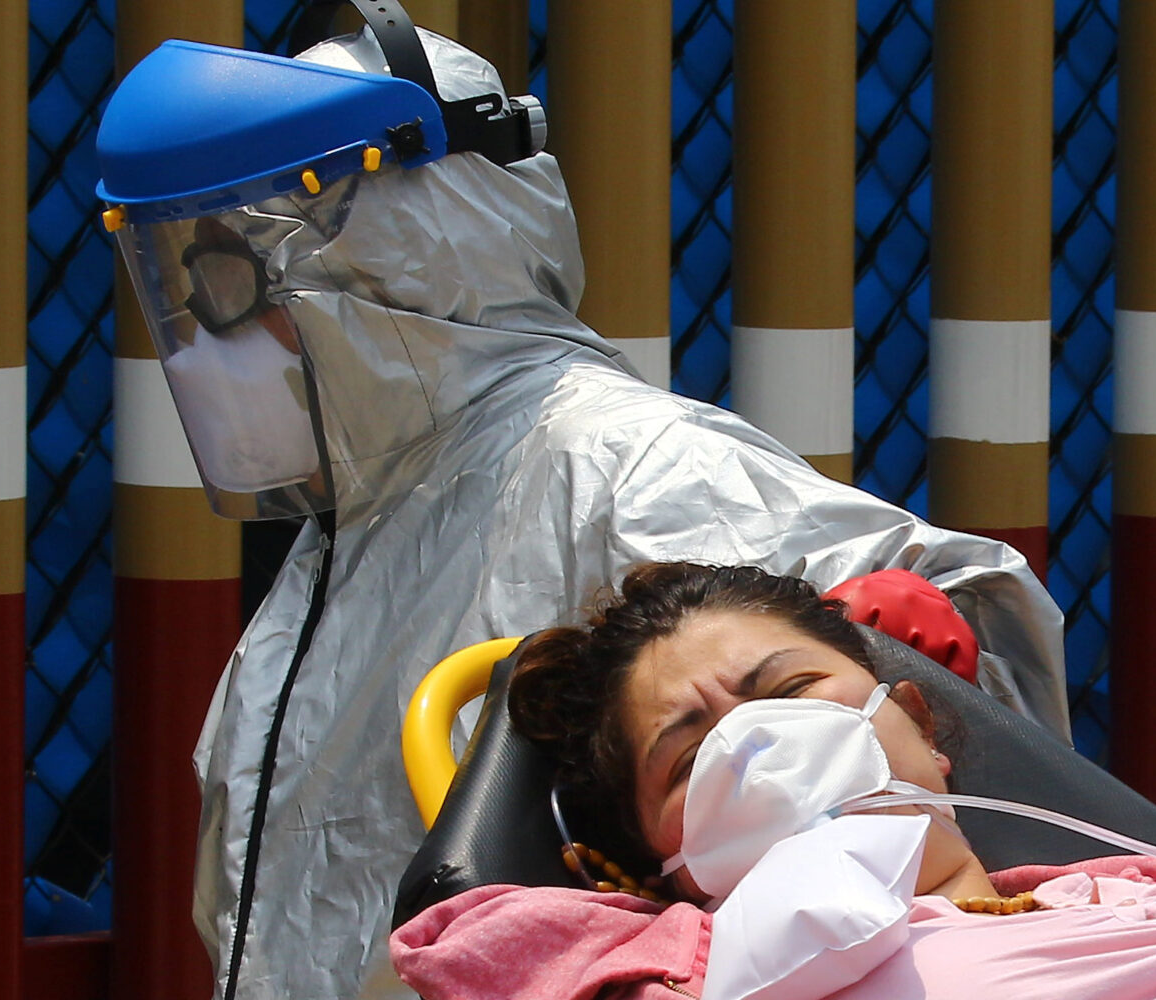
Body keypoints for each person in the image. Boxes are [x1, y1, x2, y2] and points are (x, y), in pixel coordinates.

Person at [95, 4, 1070, 997]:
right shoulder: (348, 542)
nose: (215, 336)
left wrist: (918, 622)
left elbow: (963, 706)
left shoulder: (621, 463)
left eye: (233, 279)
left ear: (393, 255)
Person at [389, 562, 1156, 1000]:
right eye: (691, 755)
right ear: (673, 860)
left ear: (921, 726)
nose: (759, 743)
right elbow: (477, 950)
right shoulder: (695, 965)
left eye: (789, 690)